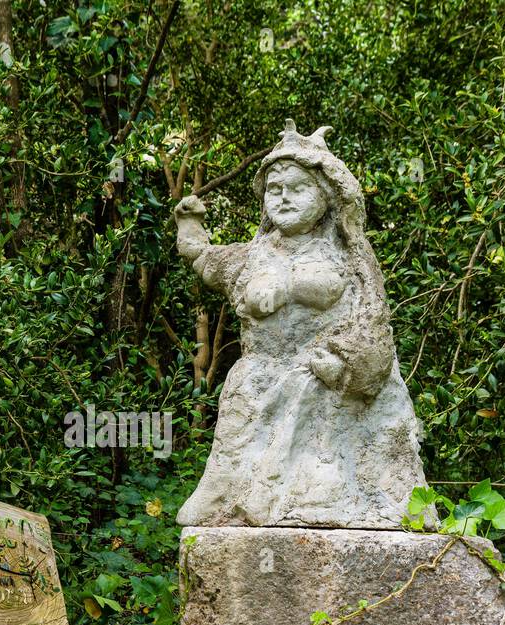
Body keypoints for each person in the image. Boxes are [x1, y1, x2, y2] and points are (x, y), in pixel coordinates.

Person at [172, 121, 430, 529]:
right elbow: (205, 260)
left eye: (298, 189)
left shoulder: (349, 257)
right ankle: (225, 496)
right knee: (238, 413)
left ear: (327, 198)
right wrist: (190, 226)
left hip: (324, 377)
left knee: (318, 432)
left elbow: (372, 321)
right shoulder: (253, 255)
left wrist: (348, 365)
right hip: (259, 373)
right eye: (275, 190)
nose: (284, 199)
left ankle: (323, 499)